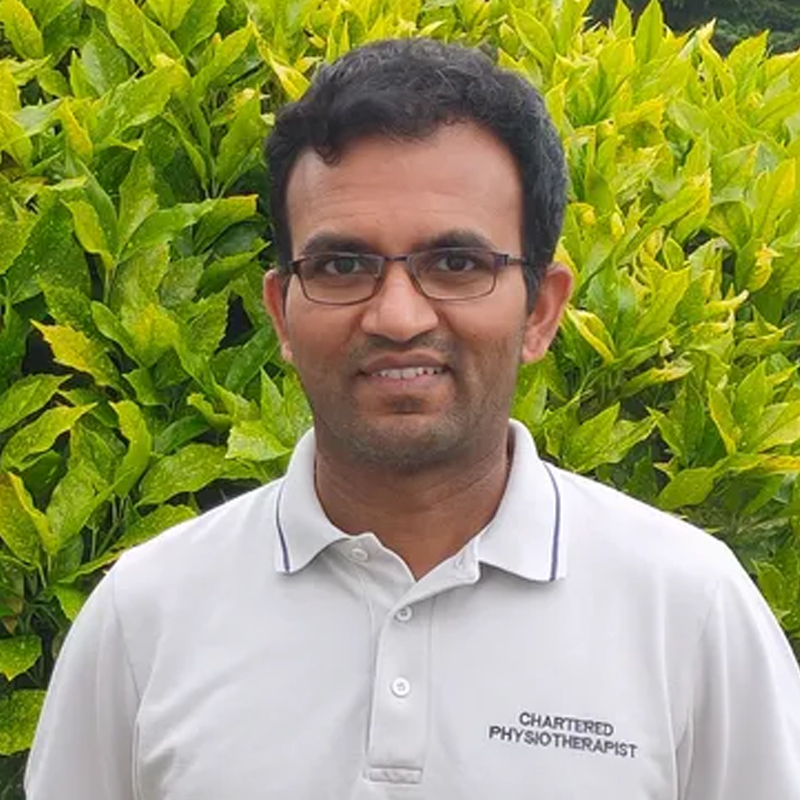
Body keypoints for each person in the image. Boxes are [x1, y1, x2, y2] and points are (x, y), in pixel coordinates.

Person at [25, 38, 800, 800]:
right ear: (282, 315)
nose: (398, 317)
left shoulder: (689, 611)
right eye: (342, 266)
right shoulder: (146, 616)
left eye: (457, 264)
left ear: (540, 310)